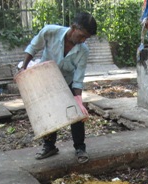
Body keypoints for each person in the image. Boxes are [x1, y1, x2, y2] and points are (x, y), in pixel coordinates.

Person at [20, 12, 97, 163]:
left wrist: (78, 101)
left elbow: (78, 76)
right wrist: (24, 68)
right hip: (46, 78)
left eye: (86, 38)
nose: (83, 40)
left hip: (67, 80)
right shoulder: (50, 31)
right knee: (48, 112)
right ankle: (49, 146)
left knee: (76, 113)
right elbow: (33, 47)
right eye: (82, 36)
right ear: (73, 28)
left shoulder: (83, 50)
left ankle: (80, 148)